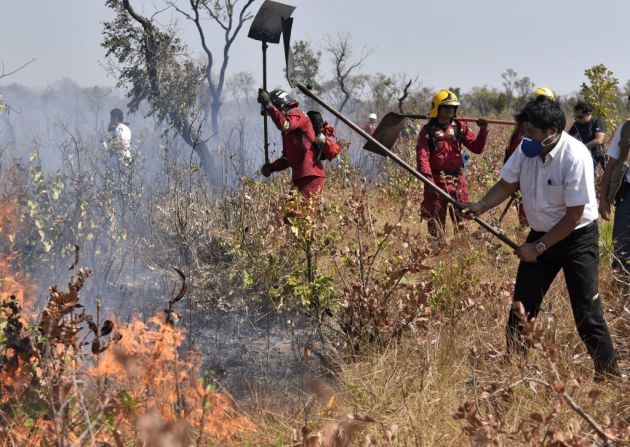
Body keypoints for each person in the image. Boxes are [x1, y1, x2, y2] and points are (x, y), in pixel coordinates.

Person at [465, 96, 619, 379]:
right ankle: (515, 372)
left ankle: (609, 376)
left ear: (552, 131)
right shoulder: (526, 150)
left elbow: (573, 216)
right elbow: (506, 184)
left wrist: (537, 248)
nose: (526, 138)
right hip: (541, 235)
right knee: (521, 309)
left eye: (532, 133)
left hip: (576, 238)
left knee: (587, 314)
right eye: (524, 131)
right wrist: (481, 206)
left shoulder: (575, 156)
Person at [416, 89, 488, 240]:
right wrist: (429, 183)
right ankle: (435, 253)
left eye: (452, 107)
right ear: (437, 108)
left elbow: (477, 148)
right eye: (446, 106)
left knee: (463, 221)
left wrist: (483, 130)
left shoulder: (460, 127)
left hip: (457, 182)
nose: (449, 110)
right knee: (435, 224)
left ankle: (461, 250)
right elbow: (422, 158)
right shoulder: (427, 131)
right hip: (435, 182)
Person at [257, 88, 325, 201]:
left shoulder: (296, 113)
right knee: (289, 217)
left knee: (299, 215)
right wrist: (272, 167)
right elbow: (287, 159)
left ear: (279, 105)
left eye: (273, 112)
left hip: (310, 175)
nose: (272, 117)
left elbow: (285, 125)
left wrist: (268, 105)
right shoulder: (286, 133)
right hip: (301, 177)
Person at [503, 87, 557, 227]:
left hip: (549, 184)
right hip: (527, 182)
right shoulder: (523, 133)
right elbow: (515, 158)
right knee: (527, 219)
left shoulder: (559, 137)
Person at [599, 101, 630, 280]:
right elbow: (610, 165)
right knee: (621, 247)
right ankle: (619, 292)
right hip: (626, 194)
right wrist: (604, 199)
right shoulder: (625, 129)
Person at [568, 101, 606, 174]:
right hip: (580, 158)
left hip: (594, 158)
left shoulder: (597, 122)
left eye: (581, 117)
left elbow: (599, 140)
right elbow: (569, 137)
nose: (578, 119)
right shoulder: (577, 124)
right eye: (577, 117)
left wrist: (582, 148)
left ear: (589, 114)